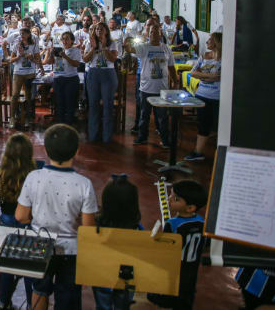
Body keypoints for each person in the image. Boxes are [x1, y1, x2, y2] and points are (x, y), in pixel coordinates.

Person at [15, 124, 98, 310]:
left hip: (38, 245)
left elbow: (20, 216)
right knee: (67, 296)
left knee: (39, 291)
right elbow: (88, 229)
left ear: (46, 150)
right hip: (71, 252)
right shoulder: (84, 184)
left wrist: (37, 221)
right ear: (76, 151)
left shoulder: (33, 177)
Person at [0, 133, 36, 309]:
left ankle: (4, 302)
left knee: (7, 265)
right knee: (30, 264)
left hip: (8, 220)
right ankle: (32, 303)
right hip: (28, 220)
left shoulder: (1, 173)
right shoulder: (34, 174)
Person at [147, 180, 207, 310]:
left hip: (174, 268)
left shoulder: (173, 223)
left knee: (171, 289)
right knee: (187, 292)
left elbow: (165, 249)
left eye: (175, 198)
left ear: (190, 207)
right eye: (170, 195)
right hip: (192, 267)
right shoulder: (202, 222)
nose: (169, 199)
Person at [92, 175, 143, 309]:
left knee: (102, 306)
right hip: (126, 277)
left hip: (101, 275)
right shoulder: (137, 230)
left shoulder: (96, 227)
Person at [125, 25, 176, 147]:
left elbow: (171, 67)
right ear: (148, 34)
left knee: (163, 117)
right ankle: (142, 137)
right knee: (144, 115)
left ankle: (165, 140)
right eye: (151, 31)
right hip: (146, 88)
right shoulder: (143, 47)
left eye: (156, 31)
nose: (153, 33)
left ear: (160, 33)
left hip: (162, 89)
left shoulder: (166, 49)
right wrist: (127, 39)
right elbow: (129, 49)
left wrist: (174, 80)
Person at [185, 33, 222, 162]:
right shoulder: (204, 56)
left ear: (217, 42)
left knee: (216, 125)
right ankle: (198, 151)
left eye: (210, 41)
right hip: (202, 94)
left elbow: (223, 76)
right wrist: (211, 77)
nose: (207, 43)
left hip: (216, 96)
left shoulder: (224, 59)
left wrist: (202, 75)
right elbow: (193, 72)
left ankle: (218, 153)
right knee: (203, 124)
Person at [83, 23, 119, 143]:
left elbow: (113, 59)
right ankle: (93, 135)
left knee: (108, 106)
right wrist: (93, 48)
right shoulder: (90, 42)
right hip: (93, 74)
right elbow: (85, 59)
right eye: (97, 29)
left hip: (108, 74)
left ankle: (107, 136)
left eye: (101, 29)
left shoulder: (112, 43)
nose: (98, 31)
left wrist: (104, 47)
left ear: (106, 31)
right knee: (93, 105)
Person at [45, 32, 81, 124]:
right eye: (63, 39)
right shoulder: (59, 50)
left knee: (69, 103)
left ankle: (69, 124)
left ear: (72, 40)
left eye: (67, 39)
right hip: (58, 79)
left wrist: (65, 56)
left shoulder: (75, 50)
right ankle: (61, 124)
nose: (64, 41)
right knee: (59, 103)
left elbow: (76, 64)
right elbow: (50, 62)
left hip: (70, 79)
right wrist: (51, 54)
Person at [9, 28, 41, 129]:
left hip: (29, 73)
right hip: (18, 72)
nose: (21, 35)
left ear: (28, 34)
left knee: (28, 96)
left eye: (23, 33)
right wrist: (19, 56)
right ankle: (12, 118)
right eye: (20, 33)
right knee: (15, 95)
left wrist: (30, 57)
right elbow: (11, 60)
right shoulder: (17, 44)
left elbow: (38, 60)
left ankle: (27, 118)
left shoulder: (33, 44)